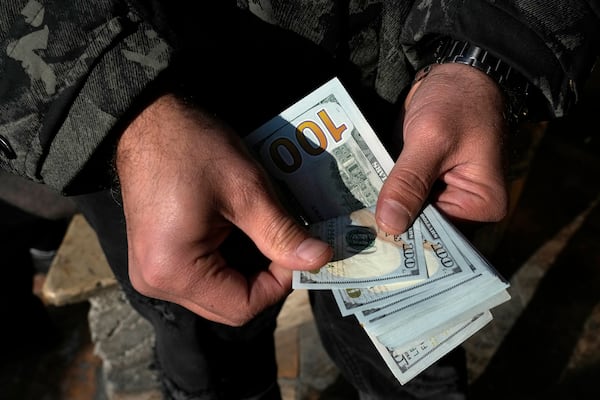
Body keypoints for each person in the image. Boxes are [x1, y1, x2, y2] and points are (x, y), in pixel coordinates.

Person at [1, 1, 598, 399]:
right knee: (207, 342)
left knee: (411, 346)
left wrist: (483, 56)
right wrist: (110, 115)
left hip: (394, 90)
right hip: (154, 150)